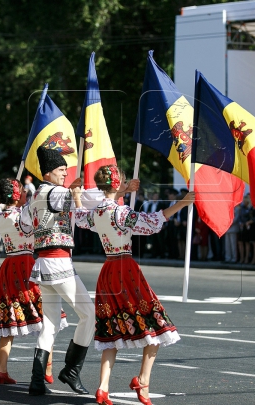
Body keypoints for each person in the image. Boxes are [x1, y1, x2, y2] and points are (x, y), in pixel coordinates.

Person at [73, 165, 194, 405]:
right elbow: (151, 222)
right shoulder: (121, 213)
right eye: (124, 182)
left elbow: (79, 218)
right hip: (126, 270)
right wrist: (181, 203)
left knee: (112, 330)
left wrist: (78, 196)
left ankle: (103, 387)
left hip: (108, 270)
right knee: (156, 325)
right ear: (117, 185)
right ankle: (143, 380)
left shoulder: (98, 212)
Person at [22, 146, 138, 396]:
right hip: (59, 263)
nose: (65, 174)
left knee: (50, 324)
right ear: (50, 172)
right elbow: (89, 200)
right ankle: (71, 370)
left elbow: (24, 226)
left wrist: (119, 189)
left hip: (41, 265)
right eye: (62, 170)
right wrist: (118, 190)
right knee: (89, 315)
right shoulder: (56, 193)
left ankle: (36, 379)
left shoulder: (34, 197)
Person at [0, 178, 66, 385]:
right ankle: (47, 367)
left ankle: (2, 370)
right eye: (23, 192)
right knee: (47, 317)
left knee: (9, 320)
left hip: (8, 266)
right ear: (17, 197)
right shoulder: (23, 216)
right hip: (26, 266)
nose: (26, 194)